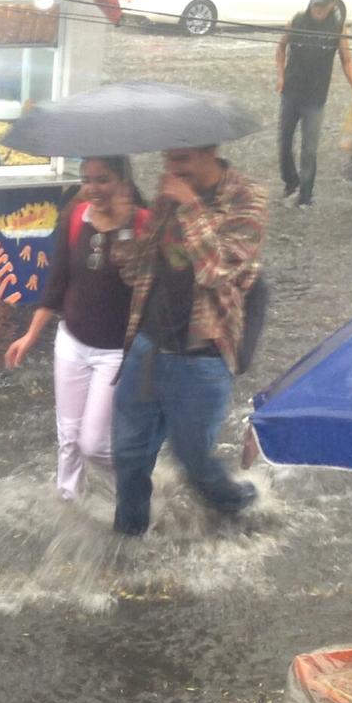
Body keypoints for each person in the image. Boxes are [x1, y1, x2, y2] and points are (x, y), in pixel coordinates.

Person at [110, 144, 267, 536]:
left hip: (202, 357)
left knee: (193, 460)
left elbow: (217, 272)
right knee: (128, 454)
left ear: (209, 152)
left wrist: (190, 207)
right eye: (166, 159)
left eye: (180, 160)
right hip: (148, 346)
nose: (171, 169)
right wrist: (125, 222)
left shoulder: (247, 199)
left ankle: (241, 507)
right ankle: (127, 540)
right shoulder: (167, 198)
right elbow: (135, 271)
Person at [5, 156, 152, 500]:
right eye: (87, 180)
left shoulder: (144, 224)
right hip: (71, 343)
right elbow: (56, 284)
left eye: (102, 180)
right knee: (69, 437)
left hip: (115, 352)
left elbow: (159, 288)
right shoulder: (75, 217)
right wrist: (30, 335)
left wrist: (129, 240)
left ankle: (135, 484)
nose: (93, 189)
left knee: (94, 444)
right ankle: (69, 501)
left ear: (122, 182)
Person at [275, 0, 352, 207]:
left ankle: (305, 196)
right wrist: (280, 76)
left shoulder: (338, 29)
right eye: (315, 5)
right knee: (284, 143)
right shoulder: (296, 22)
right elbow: (280, 49)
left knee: (309, 148)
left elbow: (346, 61)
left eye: (322, 6)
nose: (317, 10)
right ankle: (290, 181)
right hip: (291, 94)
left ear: (331, 5)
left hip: (315, 100)